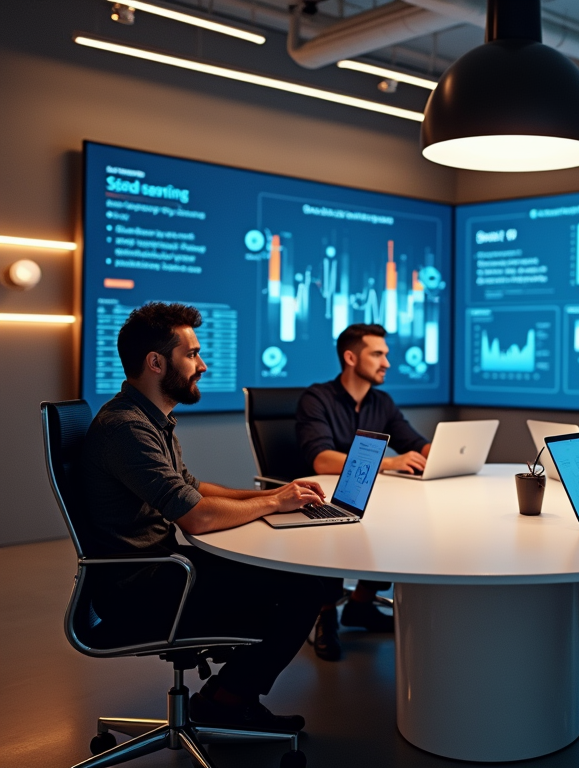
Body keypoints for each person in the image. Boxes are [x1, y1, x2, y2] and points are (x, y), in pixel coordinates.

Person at [81, 302, 339, 731]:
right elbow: (196, 518)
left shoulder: (151, 418)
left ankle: (227, 692)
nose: (202, 364)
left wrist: (276, 493)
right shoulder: (126, 427)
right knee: (307, 585)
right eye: (193, 354)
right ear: (156, 362)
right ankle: (226, 699)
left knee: (300, 576)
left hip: (161, 568)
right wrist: (274, 504)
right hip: (142, 586)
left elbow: (192, 487)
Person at [296, 323, 432, 659]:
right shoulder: (317, 398)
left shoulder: (381, 402)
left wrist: (440, 454)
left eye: (386, 354)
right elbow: (321, 459)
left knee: (406, 519)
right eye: (378, 354)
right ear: (351, 357)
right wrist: (387, 463)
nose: (387, 362)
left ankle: (361, 604)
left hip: (371, 496)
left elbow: (414, 443)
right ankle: (326, 614)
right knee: (334, 527)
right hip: (323, 496)